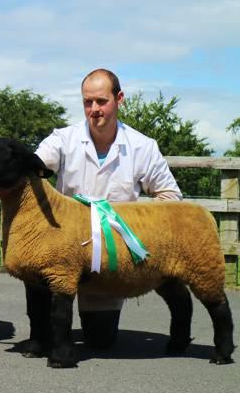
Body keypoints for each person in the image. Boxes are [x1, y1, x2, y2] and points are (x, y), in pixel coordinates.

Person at [32, 68, 182, 348]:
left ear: (119, 99)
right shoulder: (62, 139)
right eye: (88, 102)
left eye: (101, 101)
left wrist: (134, 221)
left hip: (110, 256)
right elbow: (34, 166)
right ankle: (44, 326)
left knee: (99, 342)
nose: (94, 109)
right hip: (66, 246)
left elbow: (171, 197)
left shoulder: (143, 147)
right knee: (46, 338)